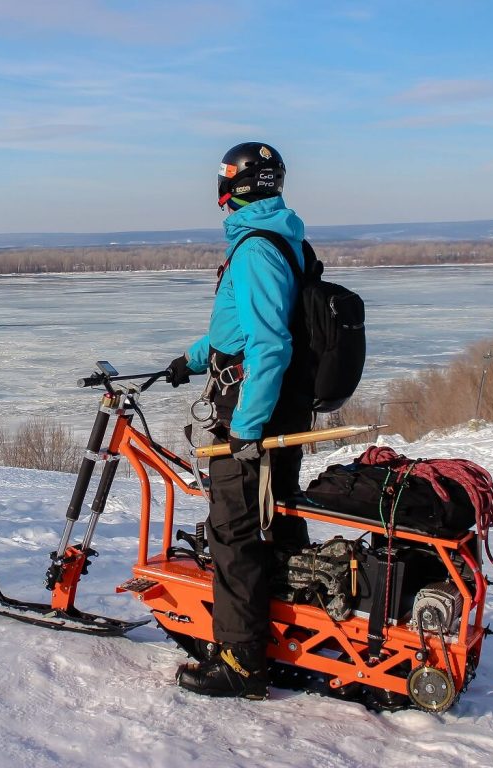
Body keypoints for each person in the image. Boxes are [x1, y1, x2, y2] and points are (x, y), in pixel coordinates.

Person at [166, 141, 312, 699]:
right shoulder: (277, 235)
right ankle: (287, 627)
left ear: (242, 183)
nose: (220, 185)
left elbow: (269, 344)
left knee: (235, 529)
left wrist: (247, 430)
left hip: (255, 409)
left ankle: (241, 661)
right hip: (275, 404)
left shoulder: (254, 249)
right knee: (273, 517)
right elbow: (239, 327)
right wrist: (194, 358)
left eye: (226, 175)